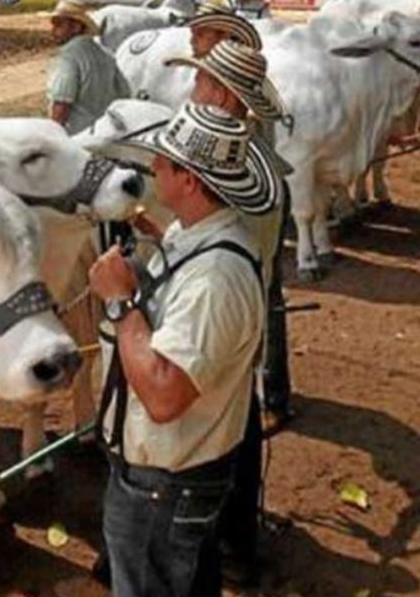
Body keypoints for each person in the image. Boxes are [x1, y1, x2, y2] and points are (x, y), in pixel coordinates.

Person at [91, 101, 280, 597]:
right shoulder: (198, 235)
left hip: (164, 486)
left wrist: (118, 303)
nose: (152, 168)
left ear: (191, 181)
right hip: (175, 480)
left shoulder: (215, 279)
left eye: (164, 162)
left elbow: (164, 395)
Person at [164, 38, 294, 584]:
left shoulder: (225, 162)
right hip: (244, 310)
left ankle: (220, 548)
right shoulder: (256, 156)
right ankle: (238, 546)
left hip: (219, 314)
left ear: (219, 92)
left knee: (219, 437)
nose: (192, 89)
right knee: (236, 427)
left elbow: (218, 243)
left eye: (199, 80)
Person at [45, 0, 130, 134]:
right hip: (104, 134)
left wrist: (52, 136)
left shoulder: (67, 57)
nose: (53, 30)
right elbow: (125, 94)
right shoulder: (106, 54)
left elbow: (61, 103)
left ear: (76, 27)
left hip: (76, 137)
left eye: (59, 25)